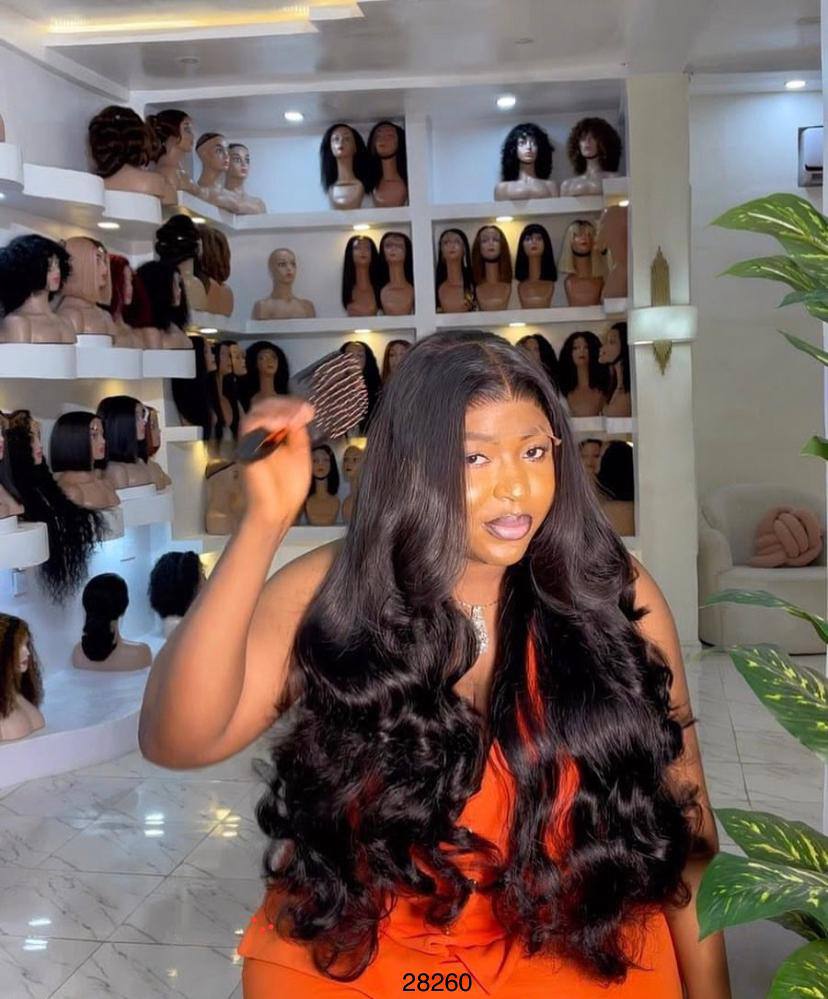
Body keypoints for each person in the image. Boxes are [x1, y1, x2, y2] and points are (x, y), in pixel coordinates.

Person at [138, 330, 730, 999]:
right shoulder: (335, 591)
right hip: (366, 956)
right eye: (474, 457)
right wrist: (263, 524)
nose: (515, 486)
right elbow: (176, 739)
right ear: (413, 465)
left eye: (534, 451)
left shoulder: (610, 592)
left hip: (570, 945)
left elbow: (687, 831)